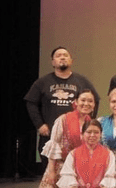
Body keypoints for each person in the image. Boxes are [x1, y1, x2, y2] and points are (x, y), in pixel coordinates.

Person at [4, 90, 96, 188]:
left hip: (78, 169)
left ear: (94, 105)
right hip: (60, 166)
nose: (86, 103)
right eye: (83, 100)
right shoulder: (63, 120)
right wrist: (52, 171)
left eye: (90, 101)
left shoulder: (91, 123)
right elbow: (55, 144)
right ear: (76, 102)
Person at [24, 46, 99, 174]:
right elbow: (31, 103)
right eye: (58, 56)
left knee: (77, 174)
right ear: (53, 62)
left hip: (76, 137)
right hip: (50, 135)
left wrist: (88, 122)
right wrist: (39, 124)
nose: (62, 57)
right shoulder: (43, 82)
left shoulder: (82, 81)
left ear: (71, 60)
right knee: (51, 174)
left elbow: (95, 100)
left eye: (65, 55)